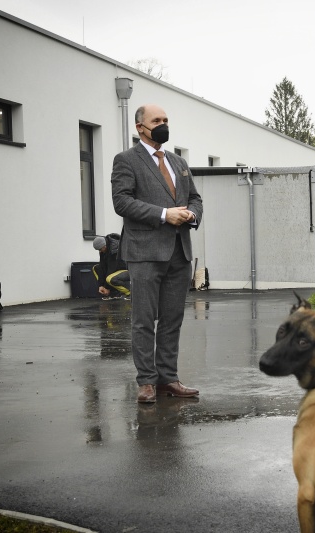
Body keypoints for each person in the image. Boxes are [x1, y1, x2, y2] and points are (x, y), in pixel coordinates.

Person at [111, 104, 203, 404]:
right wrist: (164, 214)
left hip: (179, 251)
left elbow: (194, 198)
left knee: (172, 320)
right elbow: (122, 202)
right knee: (144, 319)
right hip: (145, 252)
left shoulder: (178, 162)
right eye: (157, 121)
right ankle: (146, 382)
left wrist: (191, 214)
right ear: (140, 127)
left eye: (166, 120)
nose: (163, 124)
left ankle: (168, 379)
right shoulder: (126, 160)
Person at [92, 234, 130, 299]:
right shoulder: (103, 250)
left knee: (109, 278)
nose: (100, 251)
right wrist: (101, 285)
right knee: (96, 268)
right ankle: (114, 293)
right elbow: (102, 267)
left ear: (105, 246)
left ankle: (130, 292)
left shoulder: (114, 250)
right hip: (115, 270)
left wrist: (106, 288)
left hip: (127, 270)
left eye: (100, 249)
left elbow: (111, 270)